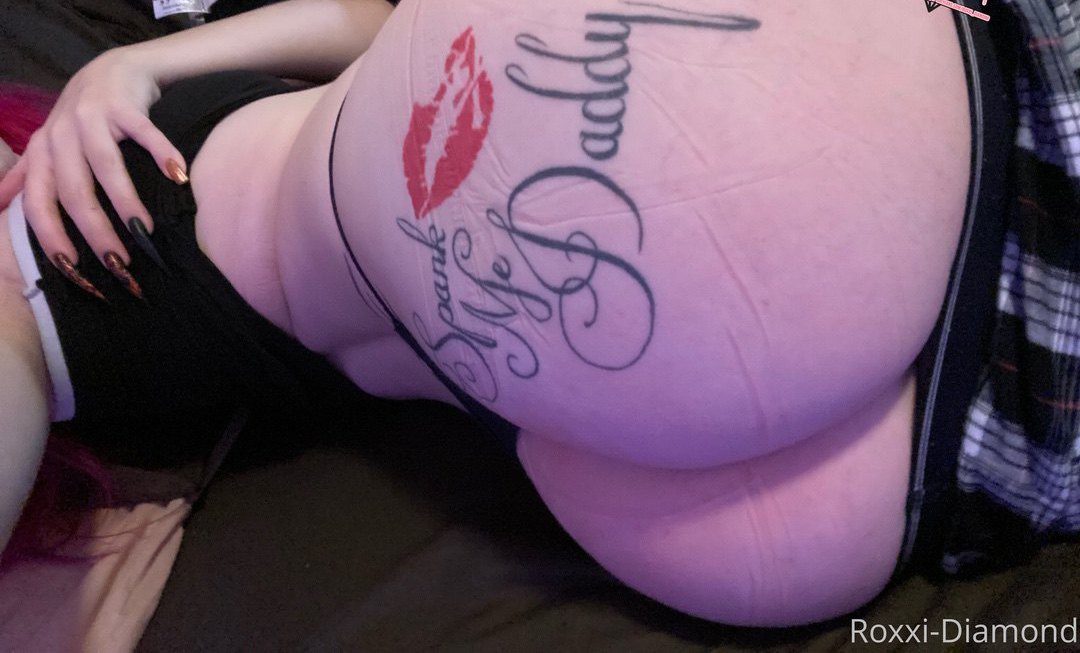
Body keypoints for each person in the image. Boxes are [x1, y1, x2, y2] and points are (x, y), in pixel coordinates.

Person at [0, 0, 1073, 627]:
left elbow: (366, 22)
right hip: (557, 286)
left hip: (652, 427)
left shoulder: (78, 119)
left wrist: (131, 65)